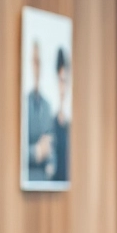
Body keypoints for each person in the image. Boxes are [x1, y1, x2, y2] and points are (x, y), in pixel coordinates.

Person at [26, 40, 57, 181]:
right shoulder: (23, 103)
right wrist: (35, 152)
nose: (36, 68)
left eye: (38, 63)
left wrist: (51, 160)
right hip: (27, 178)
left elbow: (52, 146)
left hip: (44, 182)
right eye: (33, 62)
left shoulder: (47, 105)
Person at [51, 48, 71, 182]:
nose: (62, 87)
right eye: (60, 81)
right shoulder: (52, 121)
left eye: (65, 81)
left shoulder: (71, 124)